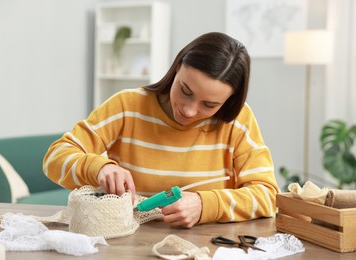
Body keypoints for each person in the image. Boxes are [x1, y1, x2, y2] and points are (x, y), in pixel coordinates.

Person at [43, 32, 279, 228]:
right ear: (177, 68)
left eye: (209, 105)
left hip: (210, 247)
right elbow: (54, 158)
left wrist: (205, 205)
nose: (189, 110)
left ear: (228, 102)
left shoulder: (238, 120)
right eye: (185, 91)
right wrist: (98, 167)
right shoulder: (127, 106)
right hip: (126, 242)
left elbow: (268, 196)